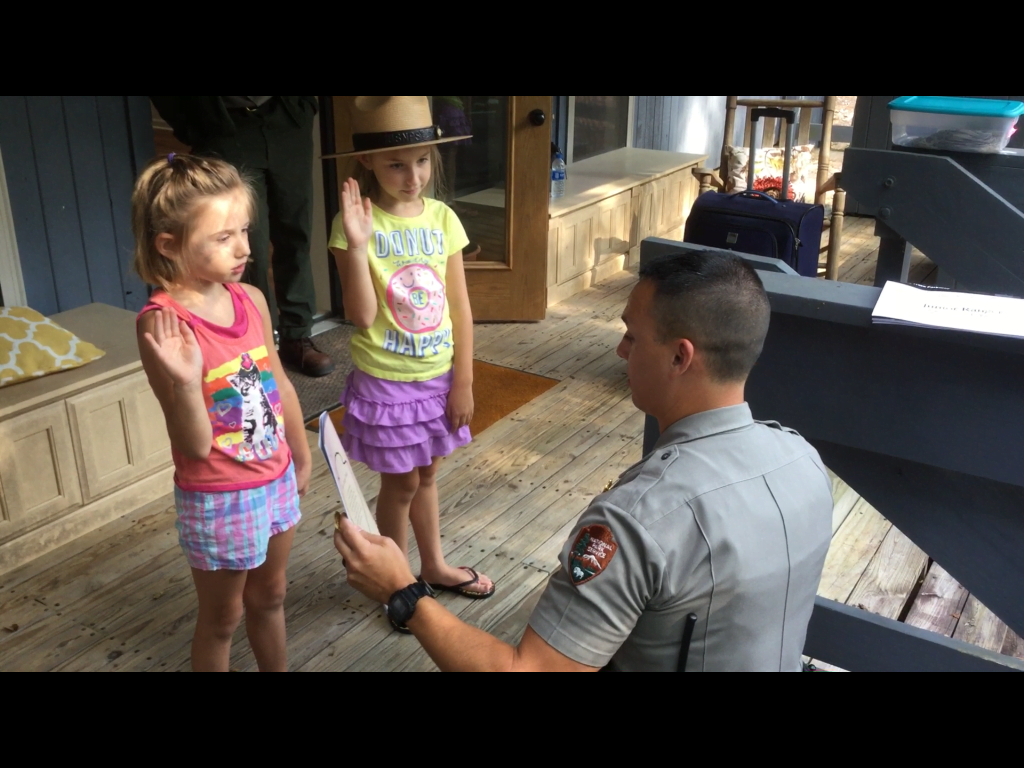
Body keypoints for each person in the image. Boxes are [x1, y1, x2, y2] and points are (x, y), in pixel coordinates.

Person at [334, 250, 835, 670]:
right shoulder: (804, 461)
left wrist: (403, 592)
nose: (620, 350)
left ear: (680, 357)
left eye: (632, 336)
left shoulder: (637, 520)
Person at [132, 153, 311, 672]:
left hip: (274, 477)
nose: (244, 249)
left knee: (271, 596)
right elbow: (192, 445)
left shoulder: (250, 297)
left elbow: (280, 384)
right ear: (169, 244)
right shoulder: (162, 324)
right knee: (222, 618)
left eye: (245, 230)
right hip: (219, 496)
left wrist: (299, 454)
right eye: (223, 237)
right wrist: (188, 383)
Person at [326, 96, 496, 633]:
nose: (413, 176)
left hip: (438, 379)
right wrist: (358, 246)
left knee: (428, 476)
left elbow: (460, 306)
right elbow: (360, 315)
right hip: (389, 385)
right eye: (397, 164)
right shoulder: (354, 224)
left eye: (422, 161)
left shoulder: (443, 217)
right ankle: (397, 586)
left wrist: (463, 380)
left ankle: (433, 566)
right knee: (399, 486)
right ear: (367, 162)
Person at [149, 96, 335, 377]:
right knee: (245, 248)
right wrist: (192, 126)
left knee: (296, 233)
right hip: (223, 123)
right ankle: (255, 344)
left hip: (287, 116)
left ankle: (296, 335)